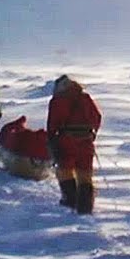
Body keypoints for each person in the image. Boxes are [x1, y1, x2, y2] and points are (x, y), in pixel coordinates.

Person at [47, 75, 103, 214]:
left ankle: (70, 200)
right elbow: (97, 117)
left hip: (66, 139)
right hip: (85, 139)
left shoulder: (58, 100)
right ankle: (86, 206)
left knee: (65, 169)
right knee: (85, 172)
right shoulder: (85, 98)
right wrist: (92, 133)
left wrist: (51, 138)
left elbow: (53, 122)